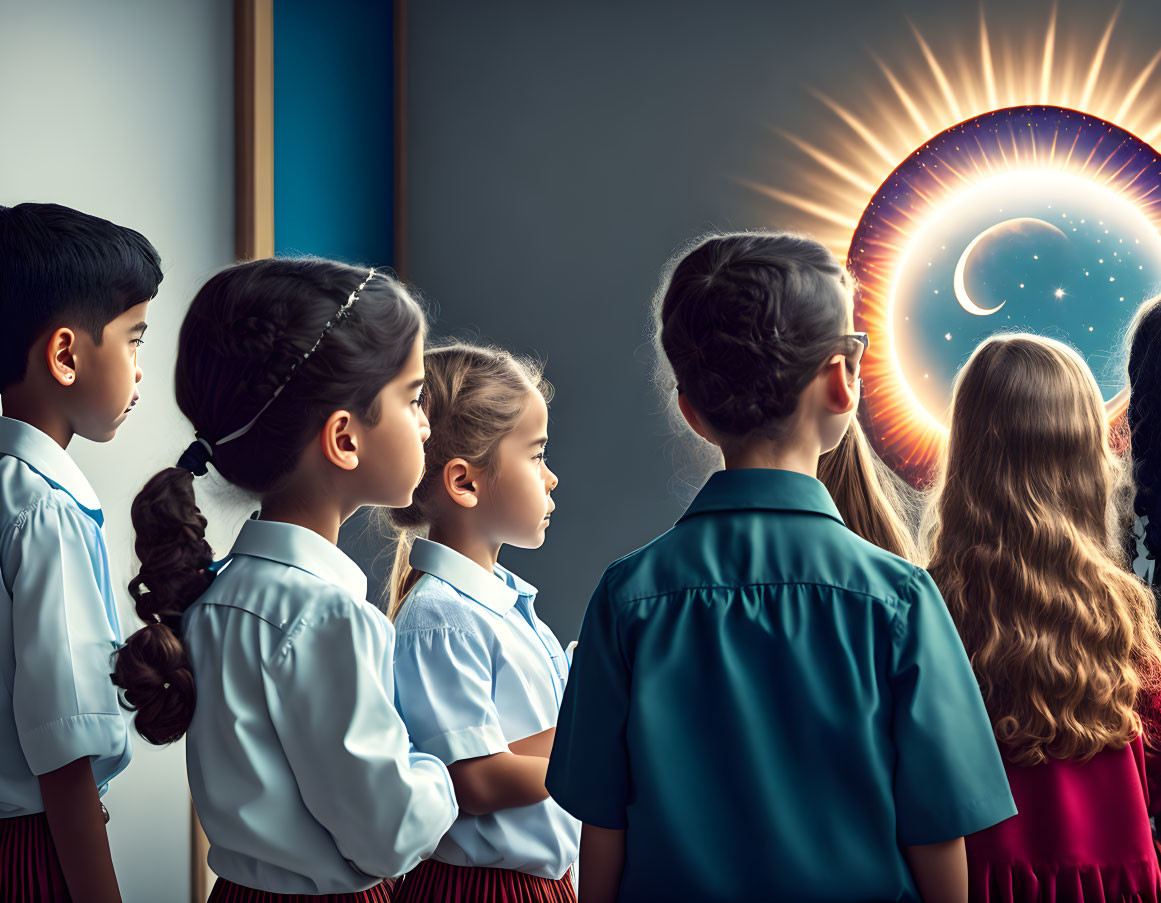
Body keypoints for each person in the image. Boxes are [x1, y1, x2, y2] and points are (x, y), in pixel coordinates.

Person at [547, 231, 1016, 902]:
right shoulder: (900, 599)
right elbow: (937, 833)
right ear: (840, 380)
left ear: (691, 410)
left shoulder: (626, 599)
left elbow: (604, 829)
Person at [111, 258, 457, 901]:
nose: (427, 421)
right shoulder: (326, 615)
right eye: (413, 398)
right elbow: (389, 833)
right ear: (345, 439)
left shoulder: (214, 595)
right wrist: (443, 773)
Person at [927, 334, 1161, 902]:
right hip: (1113, 885)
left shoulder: (925, 606)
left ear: (964, 453)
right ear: (1086, 460)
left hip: (977, 881)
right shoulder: (1126, 614)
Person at [0, 202, 161, 901]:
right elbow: (65, 749)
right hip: (35, 845)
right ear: (66, 355)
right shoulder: (49, 510)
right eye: (133, 340)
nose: (139, 371)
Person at [389, 344, 578, 903]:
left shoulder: (507, 609)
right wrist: (598, 753)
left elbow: (520, 747)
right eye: (537, 455)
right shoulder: (440, 620)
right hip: (479, 890)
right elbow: (475, 782)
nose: (552, 479)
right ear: (464, 482)